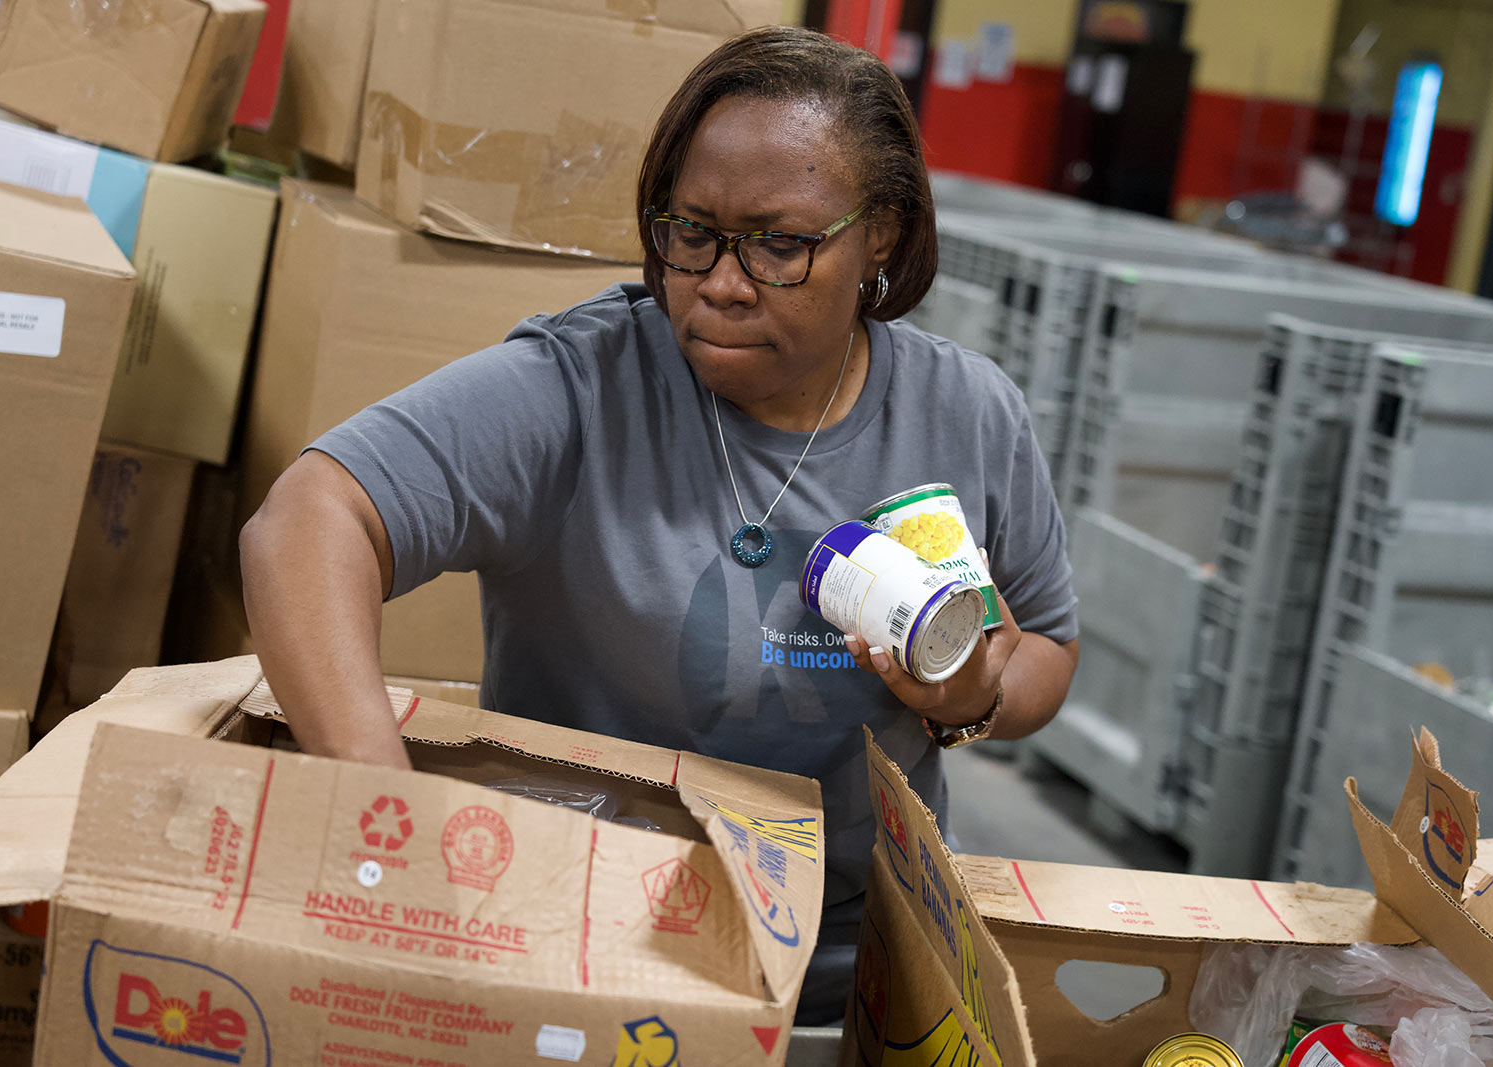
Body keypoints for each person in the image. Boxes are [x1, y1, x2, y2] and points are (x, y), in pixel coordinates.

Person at [240, 25, 1079, 1024]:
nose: (722, 281)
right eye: (691, 233)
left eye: (779, 244)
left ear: (882, 233)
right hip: (582, 951)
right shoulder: (579, 387)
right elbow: (307, 519)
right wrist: (382, 809)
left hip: (855, 971)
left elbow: (1046, 646)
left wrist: (971, 694)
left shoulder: (965, 413)